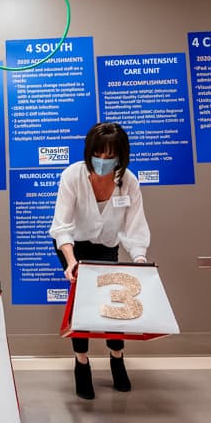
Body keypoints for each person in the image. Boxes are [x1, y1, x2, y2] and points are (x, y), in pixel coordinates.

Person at [49, 122, 150, 399]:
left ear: (120, 157)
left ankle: (116, 357)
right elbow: (62, 226)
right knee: (81, 302)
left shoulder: (128, 181)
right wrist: (71, 261)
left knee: (112, 302)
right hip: (73, 245)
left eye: (110, 157)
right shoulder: (73, 175)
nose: (103, 162)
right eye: (98, 155)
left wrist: (140, 260)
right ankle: (82, 363)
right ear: (89, 153)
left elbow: (133, 227)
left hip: (106, 245)